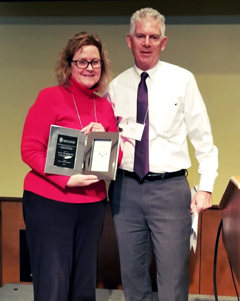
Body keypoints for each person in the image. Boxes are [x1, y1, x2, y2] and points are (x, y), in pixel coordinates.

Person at [105, 7, 218, 301]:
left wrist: (206, 187)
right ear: (129, 40)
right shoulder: (115, 88)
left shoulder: (182, 81)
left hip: (169, 190)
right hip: (125, 190)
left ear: (163, 42)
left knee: (172, 279)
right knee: (133, 277)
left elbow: (203, 137)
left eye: (153, 37)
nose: (146, 42)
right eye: (140, 36)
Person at [21, 31, 118, 301]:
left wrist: (103, 138)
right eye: (82, 61)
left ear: (102, 65)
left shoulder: (105, 108)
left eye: (95, 62)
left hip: (92, 206)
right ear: (69, 64)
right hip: (50, 203)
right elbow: (30, 149)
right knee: (53, 284)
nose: (89, 68)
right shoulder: (50, 97)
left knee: (84, 287)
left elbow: (115, 159)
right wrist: (66, 180)